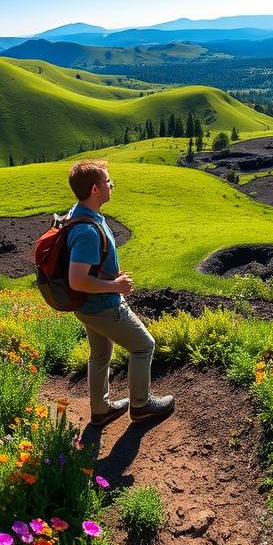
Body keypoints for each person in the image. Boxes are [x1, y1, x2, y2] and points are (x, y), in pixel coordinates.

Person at [66, 160, 175, 428]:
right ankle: (141, 405)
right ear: (95, 189)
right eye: (107, 181)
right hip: (102, 305)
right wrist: (115, 286)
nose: (111, 185)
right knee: (144, 346)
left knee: (100, 354)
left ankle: (100, 410)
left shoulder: (78, 213)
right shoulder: (87, 231)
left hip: (87, 307)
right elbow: (77, 280)